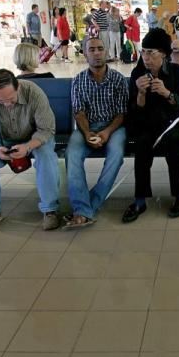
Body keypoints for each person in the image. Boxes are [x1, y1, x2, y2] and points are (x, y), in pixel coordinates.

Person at [123, 28, 179, 222]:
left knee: (172, 143)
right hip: (149, 125)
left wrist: (167, 94)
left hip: (176, 125)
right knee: (142, 143)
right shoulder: (138, 73)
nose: (146, 57)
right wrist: (140, 94)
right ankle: (140, 200)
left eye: (151, 52)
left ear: (164, 54)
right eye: (144, 52)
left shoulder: (176, 72)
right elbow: (135, 114)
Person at [0, 69, 59, 234]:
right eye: (1, 101)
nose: (7, 104)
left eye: (10, 99)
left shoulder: (33, 92)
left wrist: (28, 146)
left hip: (35, 137)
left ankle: (50, 210)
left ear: (18, 88)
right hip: (5, 138)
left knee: (46, 156)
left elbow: (46, 130)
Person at [64, 38, 128, 229]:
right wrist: (87, 134)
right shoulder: (78, 80)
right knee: (72, 154)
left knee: (116, 155)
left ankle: (87, 207)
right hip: (87, 126)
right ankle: (84, 208)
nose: (97, 53)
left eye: (100, 49)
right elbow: (79, 112)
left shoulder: (118, 79)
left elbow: (121, 114)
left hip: (114, 127)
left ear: (106, 52)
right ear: (85, 54)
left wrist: (106, 133)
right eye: (92, 49)